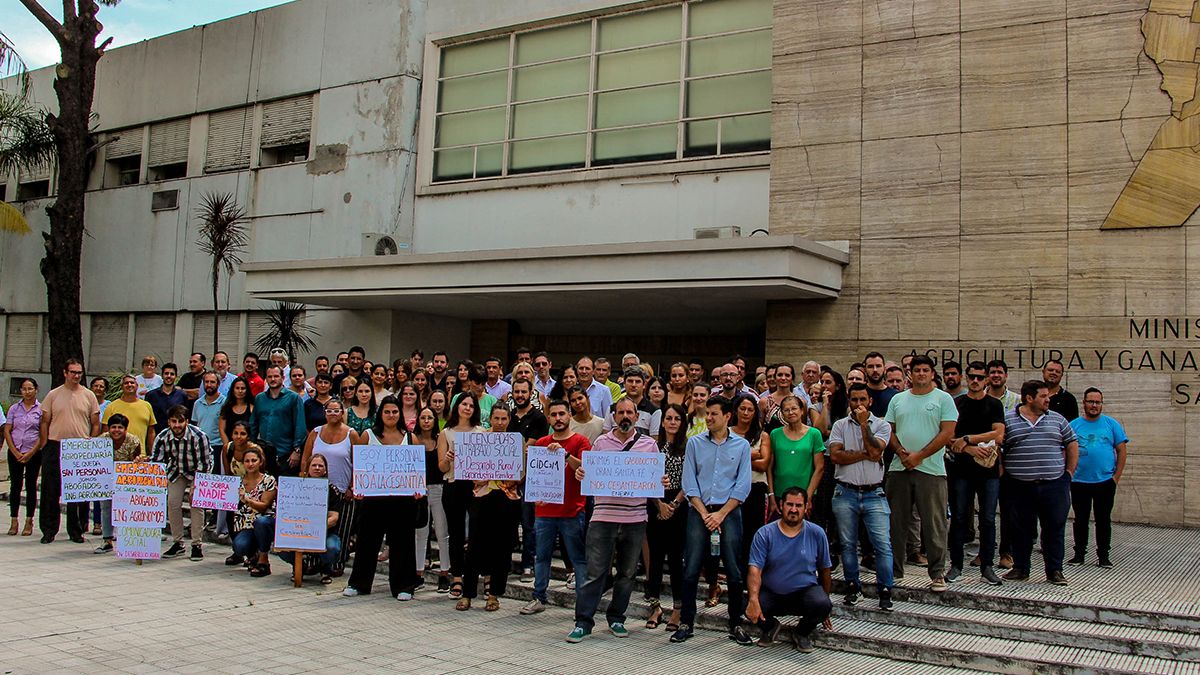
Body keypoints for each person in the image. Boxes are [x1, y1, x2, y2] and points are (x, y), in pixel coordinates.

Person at [566, 397, 662, 644]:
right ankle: (583, 622)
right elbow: (590, 474)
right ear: (614, 416)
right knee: (595, 572)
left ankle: (617, 617)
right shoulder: (600, 443)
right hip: (603, 517)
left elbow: (652, 482)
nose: (625, 416)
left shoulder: (649, 445)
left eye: (630, 412)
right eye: (621, 412)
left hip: (635, 518)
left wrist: (660, 484)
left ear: (637, 416)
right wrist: (581, 473)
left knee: (627, 573)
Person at [674, 396, 754, 645]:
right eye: (707, 414)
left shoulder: (741, 446)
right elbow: (689, 482)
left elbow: (743, 485)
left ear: (727, 416)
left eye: (714, 414)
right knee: (691, 567)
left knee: (733, 568)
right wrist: (704, 513)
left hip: (728, 512)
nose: (708, 418)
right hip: (699, 511)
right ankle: (686, 621)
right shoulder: (695, 443)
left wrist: (721, 514)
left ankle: (735, 623)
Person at [884, 355, 957, 592]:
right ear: (910, 374)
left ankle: (937, 574)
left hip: (931, 470)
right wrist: (902, 453)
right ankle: (895, 570)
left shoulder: (943, 399)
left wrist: (920, 455)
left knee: (934, 523)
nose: (921, 374)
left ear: (932, 373)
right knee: (896, 522)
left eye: (926, 370)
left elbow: (947, 433)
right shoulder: (898, 399)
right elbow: (889, 431)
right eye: (917, 370)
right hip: (899, 468)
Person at [1002, 380, 1078, 585]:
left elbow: (1072, 443)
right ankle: (1020, 568)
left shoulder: (1058, 419)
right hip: (1020, 484)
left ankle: (1054, 571)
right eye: (1043, 396)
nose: (1048, 400)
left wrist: (1068, 473)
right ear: (1029, 398)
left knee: (1054, 528)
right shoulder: (1008, 419)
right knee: (1020, 528)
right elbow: (999, 449)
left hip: (1054, 484)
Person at [345, 397, 422, 600]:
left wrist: (417, 488)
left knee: (403, 543)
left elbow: (417, 470)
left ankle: (404, 586)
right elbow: (359, 465)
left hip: (402, 500)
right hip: (374, 498)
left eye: (395, 412)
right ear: (381, 414)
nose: (391, 416)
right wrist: (358, 486)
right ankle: (359, 583)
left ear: (400, 414)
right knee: (367, 542)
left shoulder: (411, 438)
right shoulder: (367, 436)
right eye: (387, 412)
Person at [521, 399, 590, 616]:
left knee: (578, 559)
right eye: (554, 415)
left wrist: (566, 455)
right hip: (545, 512)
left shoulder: (581, 441)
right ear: (548, 418)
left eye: (562, 414)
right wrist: (535, 497)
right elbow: (533, 476)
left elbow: (588, 468)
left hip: (572, 511)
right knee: (541, 557)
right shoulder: (541, 443)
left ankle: (583, 601)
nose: (558, 418)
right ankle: (538, 597)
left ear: (569, 416)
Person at [828, 383, 894, 609]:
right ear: (849, 400)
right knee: (847, 544)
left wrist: (865, 424)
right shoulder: (839, 425)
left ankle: (885, 589)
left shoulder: (882, 425)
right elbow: (835, 456)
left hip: (873, 492)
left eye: (862, 400)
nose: (858, 405)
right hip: (845, 491)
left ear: (870, 401)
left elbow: (877, 452)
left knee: (882, 544)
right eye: (854, 400)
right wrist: (865, 454)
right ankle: (852, 586)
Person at [746, 487, 833, 653]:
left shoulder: (817, 533)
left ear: (806, 507)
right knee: (749, 603)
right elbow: (755, 569)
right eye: (789, 504)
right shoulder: (764, 533)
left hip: (805, 593)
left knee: (822, 604)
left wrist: (825, 607)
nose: (794, 510)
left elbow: (825, 570)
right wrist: (753, 599)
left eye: (798, 505)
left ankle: (801, 633)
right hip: (772, 593)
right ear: (781, 505)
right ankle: (770, 627)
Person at [945, 362, 1006, 586]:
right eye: (972, 376)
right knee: (959, 517)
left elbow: (999, 434)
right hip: (961, 470)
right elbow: (948, 438)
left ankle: (987, 566)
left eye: (980, 377)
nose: (976, 381)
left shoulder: (994, 405)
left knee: (988, 519)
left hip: (988, 471)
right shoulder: (956, 403)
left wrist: (969, 439)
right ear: (966, 378)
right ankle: (956, 565)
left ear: (987, 380)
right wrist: (968, 448)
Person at [456, 406, 522, 612]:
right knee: (475, 546)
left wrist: (508, 479)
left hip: (506, 497)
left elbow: (521, 472)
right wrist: (481, 477)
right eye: (496, 418)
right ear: (490, 419)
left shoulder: (516, 441)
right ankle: (467, 594)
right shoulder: (479, 440)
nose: (500, 422)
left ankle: (494, 594)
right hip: (482, 496)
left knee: (501, 548)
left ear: (509, 419)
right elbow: (469, 468)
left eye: (504, 418)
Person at [39, 359, 101, 544]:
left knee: (78, 491)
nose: (76, 376)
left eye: (79, 373)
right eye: (73, 372)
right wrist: (44, 444)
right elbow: (44, 421)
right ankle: (49, 530)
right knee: (50, 490)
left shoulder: (89, 395)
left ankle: (77, 530)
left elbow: (95, 422)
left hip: (79, 449)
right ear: (65, 373)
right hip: (55, 445)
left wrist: (91, 442)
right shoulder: (53, 394)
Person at [1068, 388, 1128, 569]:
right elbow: (1065, 451)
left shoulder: (1111, 424)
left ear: (1101, 404)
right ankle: (1079, 554)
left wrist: (1115, 477)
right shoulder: (1074, 425)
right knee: (1080, 520)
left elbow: (1121, 451)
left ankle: (1103, 556)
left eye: (1097, 402)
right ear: (1084, 403)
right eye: (1091, 402)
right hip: (1079, 482)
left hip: (1104, 482)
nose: (1094, 405)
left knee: (1103, 520)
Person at [297, 398, 357, 575]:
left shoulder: (351, 434)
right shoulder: (315, 433)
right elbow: (305, 459)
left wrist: (351, 487)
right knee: (317, 526)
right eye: (329, 410)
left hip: (343, 490)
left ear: (342, 412)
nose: (333, 414)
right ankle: (315, 561)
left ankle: (338, 562)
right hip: (317, 490)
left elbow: (358, 462)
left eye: (336, 410)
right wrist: (304, 483)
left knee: (343, 529)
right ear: (324, 413)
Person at [643, 403, 689, 631]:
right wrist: (658, 504)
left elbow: (690, 480)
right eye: (668, 418)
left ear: (682, 422)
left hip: (679, 505)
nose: (672, 422)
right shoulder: (653, 446)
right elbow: (647, 478)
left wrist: (673, 504)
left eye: (677, 419)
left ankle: (678, 610)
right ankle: (655, 606)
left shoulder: (689, 447)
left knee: (676, 558)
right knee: (655, 558)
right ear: (662, 422)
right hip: (655, 503)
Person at [436, 391, 484, 600]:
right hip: (453, 485)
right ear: (457, 407)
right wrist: (447, 458)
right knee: (455, 533)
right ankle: (457, 577)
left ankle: (475, 575)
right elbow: (441, 467)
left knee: (475, 532)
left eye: (471, 405)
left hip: (475, 486)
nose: (467, 408)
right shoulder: (446, 433)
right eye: (464, 404)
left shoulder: (482, 432)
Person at [150, 405, 212, 560]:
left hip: (198, 470)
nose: (177, 425)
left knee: (196, 504)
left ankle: (196, 544)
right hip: (176, 471)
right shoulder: (163, 437)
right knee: (173, 503)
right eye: (173, 421)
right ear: (168, 422)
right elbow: (156, 462)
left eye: (180, 421)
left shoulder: (199, 436)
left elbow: (204, 464)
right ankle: (178, 542)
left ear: (187, 421)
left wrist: (195, 486)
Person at [278, 452, 342, 584]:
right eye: (314, 465)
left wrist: (315, 527)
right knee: (281, 546)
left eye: (320, 466)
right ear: (307, 468)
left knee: (333, 547)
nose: (317, 468)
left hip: (325, 533)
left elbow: (334, 517)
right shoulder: (295, 487)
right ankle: (299, 566)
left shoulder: (332, 490)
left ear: (325, 470)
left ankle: (326, 569)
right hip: (297, 532)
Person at [91, 413, 145, 554]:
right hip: (106, 479)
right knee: (106, 508)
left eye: (120, 427)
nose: (116, 430)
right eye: (113, 427)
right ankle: (107, 540)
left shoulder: (133, 441)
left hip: (125, 481)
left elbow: (136, 461)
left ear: (125, 429)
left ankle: (127, 540)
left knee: (126, 509)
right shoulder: (101, 440)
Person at [762, 396, 825, 517]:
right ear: (782, 414)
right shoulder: (775, 434)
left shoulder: (814, 434)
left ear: (802, 411)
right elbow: (769, 468)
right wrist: (771, 495)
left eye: (794, 408)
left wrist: (809, 496)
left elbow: (819, 468)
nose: (791, 412)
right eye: (786, 410)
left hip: (805, 495)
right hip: (780, 495)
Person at [412, 407, 452, 593]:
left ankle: (445, 573)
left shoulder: (439, 440)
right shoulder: (412, 440)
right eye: (423, 417)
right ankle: (418, 573)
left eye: (430, 417)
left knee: (443, 533)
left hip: (439, 489)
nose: (426, 421)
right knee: (420, 533)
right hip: (419, 491)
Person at [731, 395, 768, 571]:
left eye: (750, 409)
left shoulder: (762, 435)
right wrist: (751, 454)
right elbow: (722, 460)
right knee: (733, 535)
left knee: (752, 534)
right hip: (730, 488)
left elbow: (763, 464)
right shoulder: (726, 432)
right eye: (742, 408)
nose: (746, 413)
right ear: (736, 410)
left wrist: (737, 457)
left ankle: (750, 573)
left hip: (755, 488)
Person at [250, 365, 306, 477]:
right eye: (269, 376)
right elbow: (253, 424)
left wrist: (297, 451)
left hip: (286, 454)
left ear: (283, 377)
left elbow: (300, 426)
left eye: (276, 376)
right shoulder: (260, 398)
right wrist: (251, 446)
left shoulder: (294, 398)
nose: (273, 379)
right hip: (263, 454)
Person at [5, 378, 44, 537]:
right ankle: (14, 520)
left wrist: (30, 453)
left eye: (30, 389)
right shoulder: (15, 408)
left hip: (33, 452)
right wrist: (14, 451)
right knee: (15, 485)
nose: (27, 392)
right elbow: (7, 430)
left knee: (30, 485)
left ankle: (29, 520)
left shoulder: (41, 409)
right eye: (24, 389)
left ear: (36, 390)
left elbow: (42, 434)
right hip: (15, 451)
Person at [230, 446, 277, 577]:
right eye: (247, 461)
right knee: (239, 546)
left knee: (261, 523)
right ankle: (253, 555)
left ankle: (264, 560)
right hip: (245, 523)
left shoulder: (269, 480)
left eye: (253, 460)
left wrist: (247, 500)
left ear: (260, 462)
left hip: (264, 520)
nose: (250, 464)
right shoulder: (238, 482)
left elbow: (264, 505)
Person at [103, 374, 157, 448]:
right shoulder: (111, 406)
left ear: (137, 386)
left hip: (140, 455)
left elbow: (151, 432)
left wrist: (150, 453)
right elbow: (105, 432)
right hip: (118, 455)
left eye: (132, 383)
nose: (129, 385)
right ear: (121, 387)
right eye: (126, 383)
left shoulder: (147, 406)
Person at [603, 367, 661, 436]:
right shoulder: (611, 409)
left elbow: (654, 440)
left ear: (644, 385)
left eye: (637, 381)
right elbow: (606, 437)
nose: (633, 385)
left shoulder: (654, 411)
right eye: (630, 381)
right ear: (624, 384)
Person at [190, 371, 225, 467]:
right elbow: (195, 425)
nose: (209, 385)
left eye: (212, 382)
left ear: (218, 384)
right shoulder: (197, 403)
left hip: (218, 447)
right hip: (200, 447)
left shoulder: (224, 403)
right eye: (206, 382)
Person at [145, 363, 187, 434]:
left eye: (172, 374)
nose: (169, 376)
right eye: (166, 373)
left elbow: (185, 417)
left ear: (176, 376)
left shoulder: (182, 395)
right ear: (162, 375)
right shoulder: (151, 395)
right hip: (156, 435)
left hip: (176, 435)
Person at [863, 352, 897, 418]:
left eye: (878, 366)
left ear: (884, 369)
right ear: (865, 370)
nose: (875, 370)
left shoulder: (895, 396)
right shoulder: (859, 393)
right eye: (870, 366)